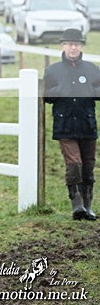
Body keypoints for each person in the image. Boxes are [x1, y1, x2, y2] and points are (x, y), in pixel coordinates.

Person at [43, 28, 99, 221]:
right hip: (65, 125)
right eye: (69, 44)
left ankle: (88, 206)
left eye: (76, 44)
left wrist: (90, 90)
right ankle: (76, 204)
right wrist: (61, 89)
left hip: (87, 125)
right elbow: (46, 96)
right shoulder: (53, 70)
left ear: (81, 46)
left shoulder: (92, 69)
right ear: (63, 46)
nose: (73, 47)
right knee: (74, 164)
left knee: (88, 167)